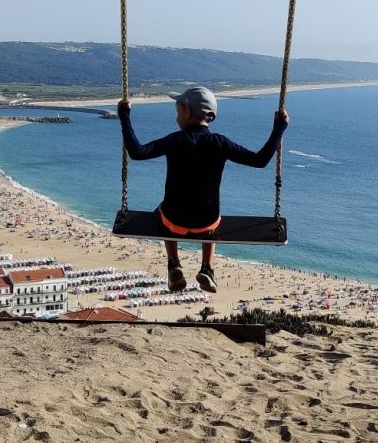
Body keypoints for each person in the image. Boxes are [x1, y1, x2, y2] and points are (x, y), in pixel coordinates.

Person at [117, 86, 288, 294]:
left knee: (162, 211)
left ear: (187, 111)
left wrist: (124, 116)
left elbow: (137, 152)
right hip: (205, 223)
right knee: (213, 217)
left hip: (174, 221)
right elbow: (260, 160)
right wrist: (279, 127)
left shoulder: (174, 140)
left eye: (178, 110)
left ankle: (173, 263)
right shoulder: (220, 143)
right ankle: (207, 267)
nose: (176, 116)